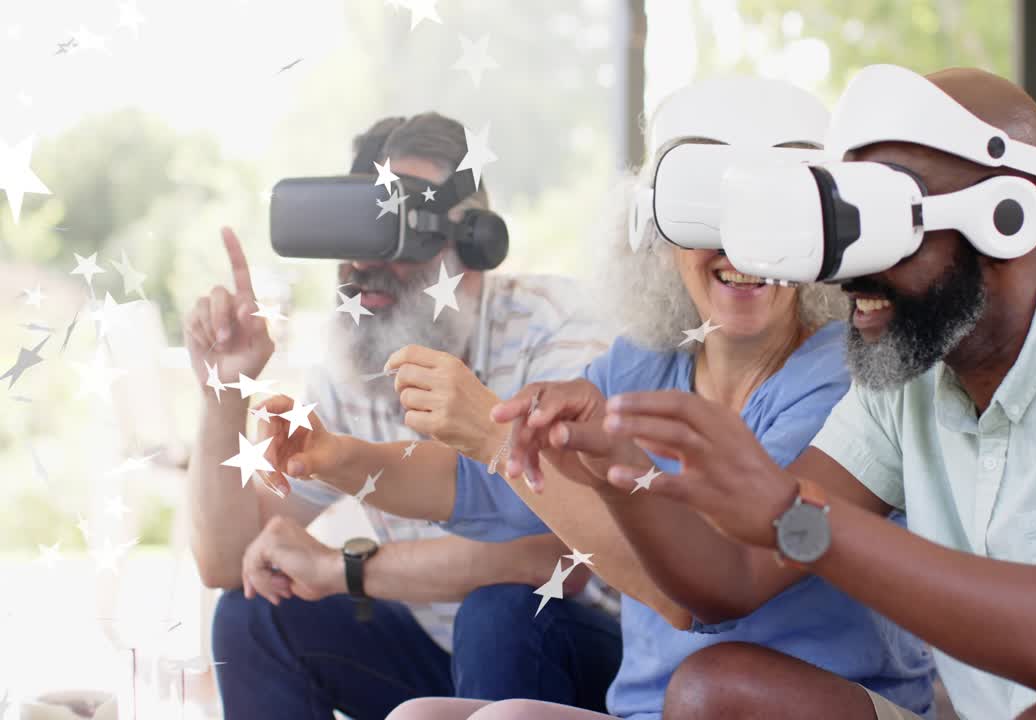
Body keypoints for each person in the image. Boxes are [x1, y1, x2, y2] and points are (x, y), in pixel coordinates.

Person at [574, 66, 1036, 719]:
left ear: (1009, 219)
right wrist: (615, 472)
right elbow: (730, 581)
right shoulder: (905, 381)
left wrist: (794, 514)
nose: (849, 280)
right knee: (713, 689)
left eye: (883, 231)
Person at [323, 77, 934, 720]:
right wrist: (332, 456)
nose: (741, 246)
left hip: (811, 702)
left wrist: (494, 437)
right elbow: (492, 487)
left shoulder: (842, 378)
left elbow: (715, 583)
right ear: (658, 234)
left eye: (775, 216)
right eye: (705, 211)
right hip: (654, 710)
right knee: (419, 716)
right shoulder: (638, 364)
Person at [183, 112, 621, 720]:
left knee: (501, 610)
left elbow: (558, 557)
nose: (366, 261)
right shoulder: (355, 360)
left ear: (475, 243)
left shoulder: (557, 329)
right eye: (355, 228)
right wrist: (225, 389)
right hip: (434, 651)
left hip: (578, 649)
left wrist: (345, 570)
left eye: (396, 229)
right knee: (255, 610)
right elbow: (227, 560)